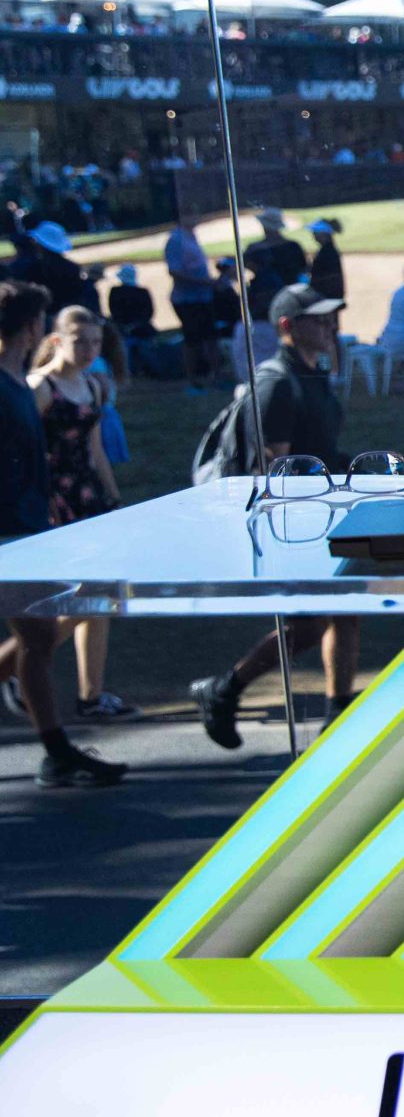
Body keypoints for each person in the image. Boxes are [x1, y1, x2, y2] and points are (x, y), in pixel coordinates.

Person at [193, 282, 360, 747]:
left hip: (324, 511)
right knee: (310, 624)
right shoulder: (277, 384)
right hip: (293, 521)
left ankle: (338, 714)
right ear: (287, 326)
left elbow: (318, 446)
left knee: (345, 611)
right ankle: (224, 689)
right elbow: (272, 465)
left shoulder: (311, 374)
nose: (330, 325)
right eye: (319, 318)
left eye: (331, 317)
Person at [0, 283, 119, 786]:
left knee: (41, 636)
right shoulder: (18, 388)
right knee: (41, 635)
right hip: (10, 533)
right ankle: (57, 750)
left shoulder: (16, 385)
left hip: (30, 528)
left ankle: (56, 751)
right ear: (32, 328)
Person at [25, 307, 132, 720]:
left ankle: (92, 695)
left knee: (102, 596)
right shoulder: (40, 387)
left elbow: (96, 450)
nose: (88, 349)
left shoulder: (93, 384)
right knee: (85, 595)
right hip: (55, 500)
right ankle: (21, 662)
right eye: (79, 340)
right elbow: (26, 453)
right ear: (56, 340)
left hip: (90, 498)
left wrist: (114, 498)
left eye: (95, 342)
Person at [166, 221, 219, 388]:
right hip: (187, 299)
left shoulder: (191, 236)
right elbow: (174, 271)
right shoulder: (176, 239)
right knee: (192, 339)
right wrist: (203, 282)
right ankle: (192, 379)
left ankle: (214, 376)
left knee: (210, 337)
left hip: (203, 297)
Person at [242, 207, 306, 324]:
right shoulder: (293, 246)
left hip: (266, 299)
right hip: (287, 297)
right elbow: (303, 269)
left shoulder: (255, 249)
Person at [106, 263, 153, 343]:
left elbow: (113, 310)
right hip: (140, 328)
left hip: (121, 327)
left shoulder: (115, 291)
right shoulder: (142, 292)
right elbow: (149, 312)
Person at [307, 217, 345, 302]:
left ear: (323, 234)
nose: (313, 235)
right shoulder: (328, 250)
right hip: (330, 297)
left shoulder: (327, 253)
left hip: (327, 298)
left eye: (315, 232)